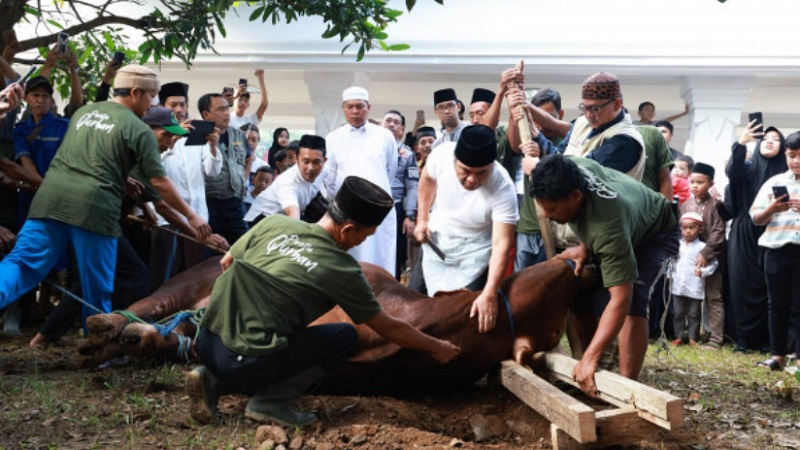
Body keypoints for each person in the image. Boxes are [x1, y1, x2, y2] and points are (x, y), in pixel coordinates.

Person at [186, 176, 461, 427]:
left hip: (207, 341)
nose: (362, 241)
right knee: (343, 336)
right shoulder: (342, 269)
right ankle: (270, 402)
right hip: (244, 361)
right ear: (348, 229)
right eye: (365, 235)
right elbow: (387, 327)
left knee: (276, 326)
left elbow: (227, 261)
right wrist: (436, 346)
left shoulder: (274, 223)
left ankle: (212, 377)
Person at [0, 65, 210, 327]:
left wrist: (122, 178)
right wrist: (194, 217)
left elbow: (87, 158)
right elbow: (159, 181)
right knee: (97, 286)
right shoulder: (138, 128)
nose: (152, 103)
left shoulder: (84, 113)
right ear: (135, 92)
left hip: (49, 202)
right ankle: (99, 346)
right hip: (94, 209)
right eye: (151, 96)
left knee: (20, 265)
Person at [529, 154, 677, 397]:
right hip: (622, 221)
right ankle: (589, 372)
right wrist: (584, 247)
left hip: (654, 232)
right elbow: (592, 214)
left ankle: (627, 390)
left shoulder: (609, 227)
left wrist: (591, 357)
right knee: (581, 294)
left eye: (552, 208)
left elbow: (621, 298)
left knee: (633, 303)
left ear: (575, 196)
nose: (546, 215)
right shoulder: (572, 167)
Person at [414, 124, 518, 334]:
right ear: (454, 161)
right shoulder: (442, 155)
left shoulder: (503, 187)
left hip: (475, 252)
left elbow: (501, 245)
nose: (472, 180)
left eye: (482, 173)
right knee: (415, 301)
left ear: (492, 166)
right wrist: (422, 220)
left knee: (459, 317)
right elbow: (427, 179)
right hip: (437, 240)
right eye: (465, 171)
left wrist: (490, 293)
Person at [727, 122, 787, 352]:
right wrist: (741, 143)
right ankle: (743, 339)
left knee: (769, 284)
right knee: (741, 283)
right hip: (744, 231)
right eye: (766, 138)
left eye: (776, 138)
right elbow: (732, 173)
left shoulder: (786, 175)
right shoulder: (747, 169)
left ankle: (767, 340)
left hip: (775, 230)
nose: (769, 141)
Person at [325, 86, 397, 275]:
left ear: (369, 107)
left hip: (379, 206)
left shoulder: (385, 136)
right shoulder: (333, 138)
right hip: (347, 210)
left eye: (360, 106)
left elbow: (390, 171)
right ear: (343, 108)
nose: (355, 111)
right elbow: (330, 178)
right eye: (350, 107)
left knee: (381, 257)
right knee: (350, 259)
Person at [750, 131, 800, 371]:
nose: (796, 161)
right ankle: (777, 356)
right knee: (776, 304)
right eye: (791, 156)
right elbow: (756, 219)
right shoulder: (773, 182)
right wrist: (772, 208)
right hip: (776, 249)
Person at [680, 162, 726, 350]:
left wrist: (706, 254)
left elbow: (718, 231)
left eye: (700, 182)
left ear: (711, 183)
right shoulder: (685, 205)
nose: (695, 186)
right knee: (686, 294)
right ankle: (686, 334)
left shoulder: (716, 205)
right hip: (689, 260)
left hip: (712, 258)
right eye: (692, 182)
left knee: (713, 297)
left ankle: (715, 338)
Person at [198, 92, 250, 245]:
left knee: (244, 249)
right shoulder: (196, 136)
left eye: (227, 108)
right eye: (221, 109)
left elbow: (244, 162)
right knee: (212, 251)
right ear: (206, 114)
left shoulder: (238, 135)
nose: (227, 113)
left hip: (235, 204)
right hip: (210, 205)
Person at [244, 135, 326, 223]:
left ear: (325, 161)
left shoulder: (325, 172)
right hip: (262, 221)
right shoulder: (287, 182)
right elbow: (293, 216)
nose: (310, 168)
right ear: (297, 160)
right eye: (306, 161)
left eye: (316, 162)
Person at [671, 212, 719, 347]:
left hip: (694, 286)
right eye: (684, 228)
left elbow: (714, 264)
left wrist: (702, 272)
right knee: (678, 313)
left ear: (700, 229)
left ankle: (693, 337)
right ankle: (678, 336)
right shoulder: (677, 245)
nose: (688, 231)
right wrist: (669, 275)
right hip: (678, 285)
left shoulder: (702, 248)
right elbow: (670, 262)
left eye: (692, 227)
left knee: (694, 314)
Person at [382, 110, 419, 280]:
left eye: (396, 122)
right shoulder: (371, 149)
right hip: (372, 205)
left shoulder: (409, 154)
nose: (391, 124)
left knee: (395, 252)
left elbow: (412, 186)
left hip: (396, 207)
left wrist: (409, 216)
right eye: (388, 121)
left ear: (402, 129)